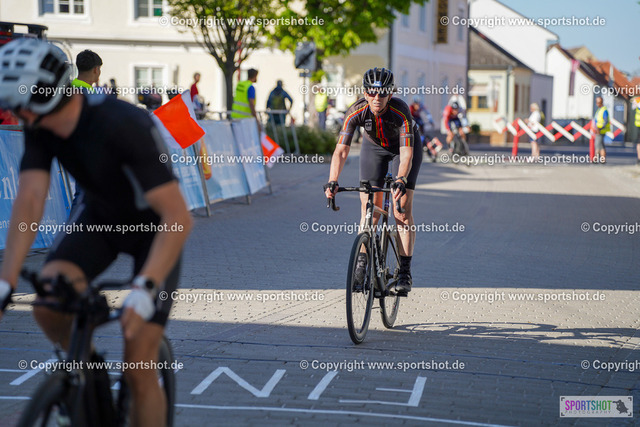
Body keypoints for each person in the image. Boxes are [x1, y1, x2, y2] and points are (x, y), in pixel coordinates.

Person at [0, 38, 192, 427]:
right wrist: (5, 282)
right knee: (48, 304)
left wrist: (145, 288)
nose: (19, 116)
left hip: (155, 230)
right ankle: (89, 379)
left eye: (21, 107)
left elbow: (178, 217)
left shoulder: (123, 124)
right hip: (100, 220)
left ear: (47, 96)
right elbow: (30, 198)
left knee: (138, 362)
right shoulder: (40, 122)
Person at [324, 67, 422, 296]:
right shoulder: (356, 111)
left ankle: (404, 272)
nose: (377, 97)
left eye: (383, 93)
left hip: (403, 149)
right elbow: (341, 150)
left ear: (391, 93)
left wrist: (401, 179)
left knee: (401, 210)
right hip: (374, 148)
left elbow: (406, 154)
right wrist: (332, 180)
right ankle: (361, 266)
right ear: (365, 93)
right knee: (370, 210)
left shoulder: (400, 111)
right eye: (372, 92)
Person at [69, 50, 103, 218]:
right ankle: (73, 230)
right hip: (86, 150)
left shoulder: (69, 88)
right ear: (96, 69)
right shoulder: (89, 94)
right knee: (83, 194)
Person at [231, 68, 261, 133]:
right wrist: (257, 120)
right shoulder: (250, 87)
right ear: (255, 76)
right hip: (245, 120)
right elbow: (251, 104)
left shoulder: (240, 84)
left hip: (234, 117)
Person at [410, 97, 437, 161]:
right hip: (412, 118)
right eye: (416, 104)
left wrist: (431, 121)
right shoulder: (410, 108)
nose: (418, 106)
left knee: (422, 126)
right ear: (413, 104)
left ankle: (422, 138)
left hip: (418, 118)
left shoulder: (421, 106)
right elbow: (409, 118)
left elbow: (427, 113)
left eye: (418, 104)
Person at [592, 96, 609, 163]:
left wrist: (600, 128)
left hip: (600, 131)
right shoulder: (599, 110)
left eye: (598, 102)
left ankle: (596, 159)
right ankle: (602, 159)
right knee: (601, 145)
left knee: (597, 145)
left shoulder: (604, 110)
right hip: (598, 130)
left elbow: (606, 121)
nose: (597, 103)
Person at [632, 96, 640, 165]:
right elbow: (633, 107)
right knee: (639, 143)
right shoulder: (637, 100)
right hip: (638, 125)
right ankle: (639, 159)